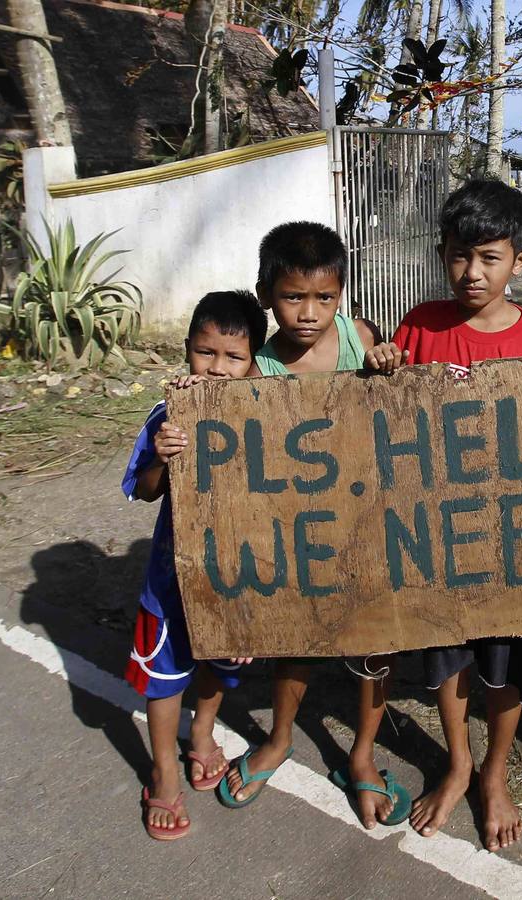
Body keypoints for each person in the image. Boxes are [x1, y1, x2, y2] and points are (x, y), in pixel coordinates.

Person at [363, 179, 522, 852]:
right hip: (441, 540)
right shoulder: (418, 328)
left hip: (517, 542)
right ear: (440, 253)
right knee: (445, 655)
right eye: (459, 256)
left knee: (506, 665)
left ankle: (493, 773)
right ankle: (456, 761)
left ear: (520, 260)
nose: (472, 272)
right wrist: (383, 372)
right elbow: (382, 428)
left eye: (488, 257)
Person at [220, 221, 382, 808]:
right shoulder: (255, 368)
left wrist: (386, 365)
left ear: (341, 295)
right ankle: (280, 736)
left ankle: (362, 751)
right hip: (299, 525)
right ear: (266, 294)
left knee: (377, 637)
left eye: (324, 298)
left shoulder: (358, 338)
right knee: (298, 639)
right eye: (293, 297)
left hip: (366, 518)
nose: (309, 312)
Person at [125, 290, 267, 840]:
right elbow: (143, 491)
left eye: (234, 358)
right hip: (170, 580)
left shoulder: (265, 412)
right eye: (206, 353)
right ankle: (163, 770)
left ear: (254, 361)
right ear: (187, 350)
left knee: (223, 663)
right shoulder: (168, 416)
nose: (217, 369)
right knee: (164, 679)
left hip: (239, 578)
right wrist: (162, 458)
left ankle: (202, 733)